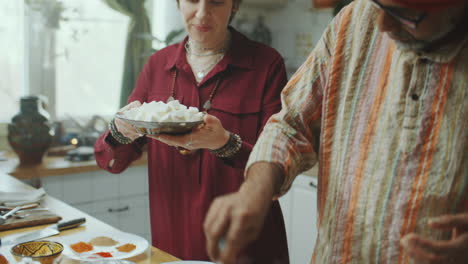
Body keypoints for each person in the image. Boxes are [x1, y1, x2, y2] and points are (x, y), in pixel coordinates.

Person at [203, 0, 468, 263]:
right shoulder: (353, 21)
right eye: (378, 4)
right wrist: (254, 190)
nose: (381, 24)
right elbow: (291, 124)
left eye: (405, 15)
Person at [94, 0, 290, 262]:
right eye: (192, 0)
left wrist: (225, 142)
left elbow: (279, 164)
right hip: (173, 239)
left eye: (216, 1)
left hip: (243, 242)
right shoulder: (157, 66)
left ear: (235, 5)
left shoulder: (266, 64)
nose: (202, 13)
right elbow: (112, 161)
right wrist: (120, 131)